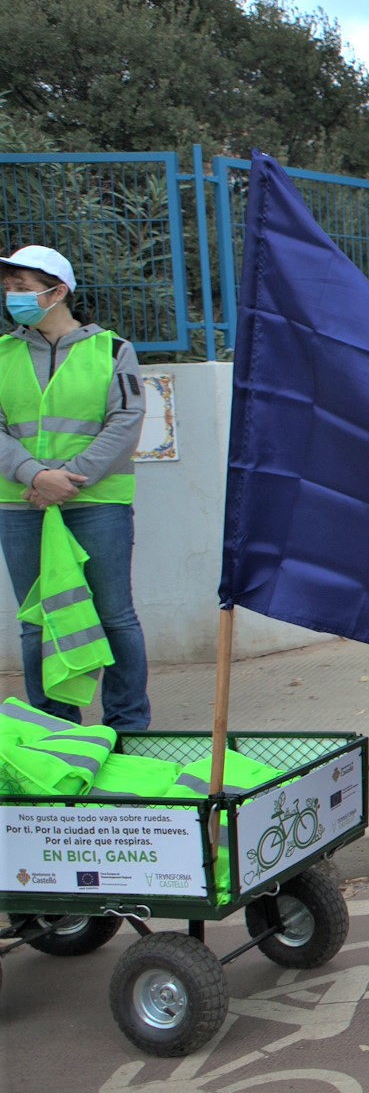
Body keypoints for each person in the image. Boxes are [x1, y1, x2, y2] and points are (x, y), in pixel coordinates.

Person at [0, 245, 151, 731]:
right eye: (9, 289)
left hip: (96, 504)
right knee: (37, 621)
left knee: (113, 616)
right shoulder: (2, 354)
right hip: (21, 504)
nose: (11, 297)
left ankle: (128, 728)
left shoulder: (112, 350)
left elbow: (125, 422)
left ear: (57, 291)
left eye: (21, 288)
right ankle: (55, 729)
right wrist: (35, 476)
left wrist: (68, 478)